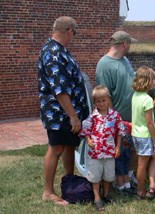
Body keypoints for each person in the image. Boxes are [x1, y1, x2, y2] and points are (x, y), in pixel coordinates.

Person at [37, 16, 88, 205]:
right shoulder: (52, 52)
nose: (73, 37)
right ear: (69, 31)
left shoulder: (60, 51)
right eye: (74, 33)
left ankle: (69, 183)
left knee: (69, 146)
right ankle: (48, 192)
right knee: (56, 148)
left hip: (68, 113)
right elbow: (60, 89)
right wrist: (73, 116)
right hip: (59, 114)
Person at [96, 30, 138, 188]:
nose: (130, 47)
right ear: (124, 44)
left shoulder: (125, 60)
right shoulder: (104, 65)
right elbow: (104, 96)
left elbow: (131, 78)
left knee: (134, 149)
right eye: (130, 44)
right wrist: (115, 121)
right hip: (120, 118)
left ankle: (129, 175)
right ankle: (118, 179)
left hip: (134, 115)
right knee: (121, 153)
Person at [79, 85, 125, 211]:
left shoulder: (115, 116)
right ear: (94, 102)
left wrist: (118, 147)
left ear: (108, 100)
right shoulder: (92, 117)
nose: (101, 103)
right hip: (96, 152)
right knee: (95, 175)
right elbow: (85, 129)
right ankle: (97, 197)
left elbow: (120, 131)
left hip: (109, 151)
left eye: (103, 100)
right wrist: (88, 139)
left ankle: (106, 194)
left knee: (108, 175)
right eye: (98, 101)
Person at [131, 66, 155, 199]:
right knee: (142, 164)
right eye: (152, 79)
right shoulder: (147, 100)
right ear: (147, 81)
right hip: (145, 136)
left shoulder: (136, 95)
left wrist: (154, 102)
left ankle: (152, 185)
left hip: (136, 134)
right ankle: (140, 191)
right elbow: (150, 123)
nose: (154, 82)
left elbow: (142, 110)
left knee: (153, 158)